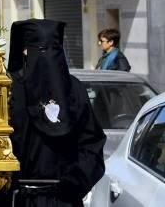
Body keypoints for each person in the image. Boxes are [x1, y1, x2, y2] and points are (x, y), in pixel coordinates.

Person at [8, 19, 105, 207]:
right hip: (18, 198)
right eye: (40, 50)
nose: (47, 57)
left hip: (63, 199)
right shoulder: (9, 90)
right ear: (24, 51)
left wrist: (74, 183)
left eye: (52, 50)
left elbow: (92, 144)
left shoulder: (74, 89)